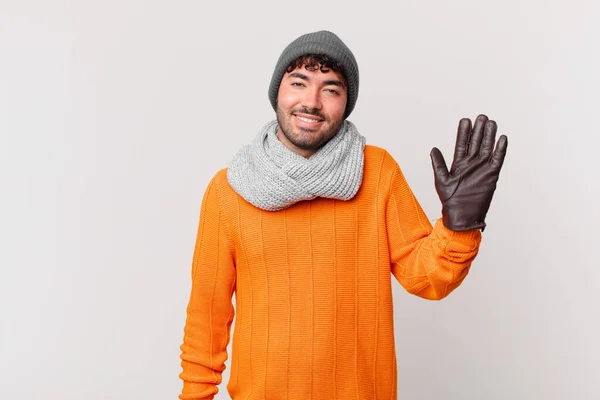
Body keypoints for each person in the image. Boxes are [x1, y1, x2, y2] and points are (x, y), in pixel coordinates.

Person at [178, 30, 507, 400]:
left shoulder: (377, 172)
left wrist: (458, 226)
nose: (311, 102)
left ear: (346, 103)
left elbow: (427, 279)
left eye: (330, 89)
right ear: (277, 92)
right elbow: (207, 317)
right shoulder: (228, 191)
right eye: (299, 83)